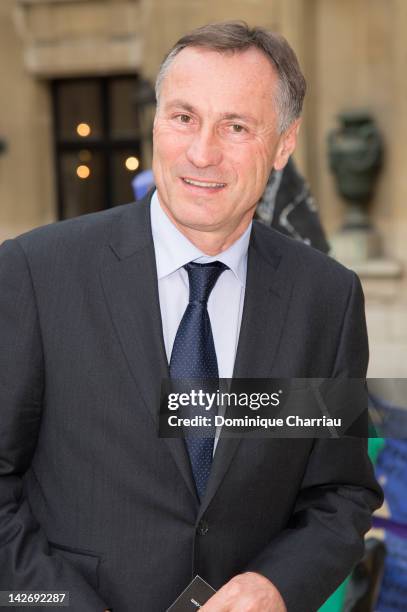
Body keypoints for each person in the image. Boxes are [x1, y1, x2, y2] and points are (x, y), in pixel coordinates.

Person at [0, 21, 382, 612]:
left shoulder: (325, 300)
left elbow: (340, 494)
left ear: (284, 143)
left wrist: (276, 586)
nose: (202, 152)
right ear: (155, 122)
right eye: (183, 117)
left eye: (236, 126)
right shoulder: (35, 272)